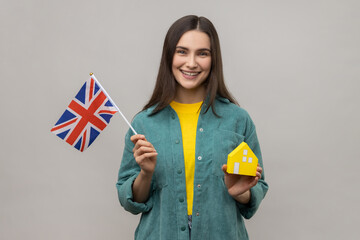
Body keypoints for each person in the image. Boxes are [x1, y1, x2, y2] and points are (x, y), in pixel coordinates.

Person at [116, 15, 268, 240]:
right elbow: (130, 202)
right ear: (169, 56)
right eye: (182, 51)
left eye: (202, 53)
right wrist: (146, 174)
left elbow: (258, 187)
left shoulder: (237, 119)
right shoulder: (143, 123)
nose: (191, 63)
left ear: (213, 59)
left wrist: (243, 193)